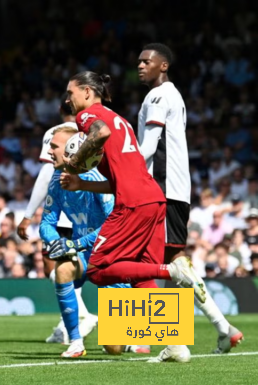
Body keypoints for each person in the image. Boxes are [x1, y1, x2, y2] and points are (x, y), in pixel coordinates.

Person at [61, 71, 205, 362]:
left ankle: (172, 271)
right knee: (141, 275)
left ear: (87, 92)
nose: (67, 99)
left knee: (98, 269)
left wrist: (75, 162)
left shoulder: (89, 117)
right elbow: (118, 177)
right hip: (153, 199)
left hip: (132, 204)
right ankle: (175, 344)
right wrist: (82, 183)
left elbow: (98, 134)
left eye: (71, 93)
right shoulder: (121, 120)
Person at [137, 43, 243, 358]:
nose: (140, 66)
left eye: (147, 61)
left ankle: (154, 337)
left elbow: (147, 148)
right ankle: (221, 329)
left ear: (164, 65)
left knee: (140, 259)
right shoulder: (173, 95)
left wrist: (119, 171)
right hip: (175, 190)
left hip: (160, 189)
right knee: (175, 262)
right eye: (139, 62)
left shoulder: (158, 96)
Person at [40, 125, 131, 358]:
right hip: (83, 253)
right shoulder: (57, 180)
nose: (49, 152)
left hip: (111, 256)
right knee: (61, 269)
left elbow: (114, 223)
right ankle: (76, 342)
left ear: (73, 151)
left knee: (114, 349)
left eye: (54, 147)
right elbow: (46, 223)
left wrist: (76, 244)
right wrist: (56, 242)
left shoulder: (97, 180)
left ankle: (135, 326)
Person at [16, 96, 97, 344]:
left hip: (67, 211)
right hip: (92, 212)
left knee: (57, 266)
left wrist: (28, 214)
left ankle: (81, 316)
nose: (52, 150)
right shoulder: (96, 131)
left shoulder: (56, 134)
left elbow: (46, 173)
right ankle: (137, 335)